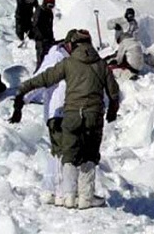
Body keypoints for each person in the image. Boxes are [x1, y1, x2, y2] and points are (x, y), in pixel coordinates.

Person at [12, 29, 120, 209]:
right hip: (94, 116)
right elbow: (114, 93)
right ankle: (85, 198)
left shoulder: (68, 63)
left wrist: (23, 90)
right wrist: (112, 111)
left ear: (74, 44)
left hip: (71, 115)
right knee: (89, 154)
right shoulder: (101, 65)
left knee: (69, 154)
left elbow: (44, 78)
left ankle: (68, 196)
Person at [9, 40, 69, 206]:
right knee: (59, 151)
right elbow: (41, 79)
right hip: (57, 111)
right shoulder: (56, 57)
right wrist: (23, 99)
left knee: (62, 151)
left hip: (66, 111)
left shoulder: (68, 58)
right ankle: (53, 190)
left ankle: (57, 190)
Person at [30, 0, 56, 69]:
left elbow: (50, 27)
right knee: (41, 59)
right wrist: (40, 37)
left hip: (48, 39)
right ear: (45, 3)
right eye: (49, 6)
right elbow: (35, 25)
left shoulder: (50, 13)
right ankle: (37, 74)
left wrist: (51, 38)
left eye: (52, 6)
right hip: (40, 40)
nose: (50, 8)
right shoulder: (39, 11)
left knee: (48, 59)